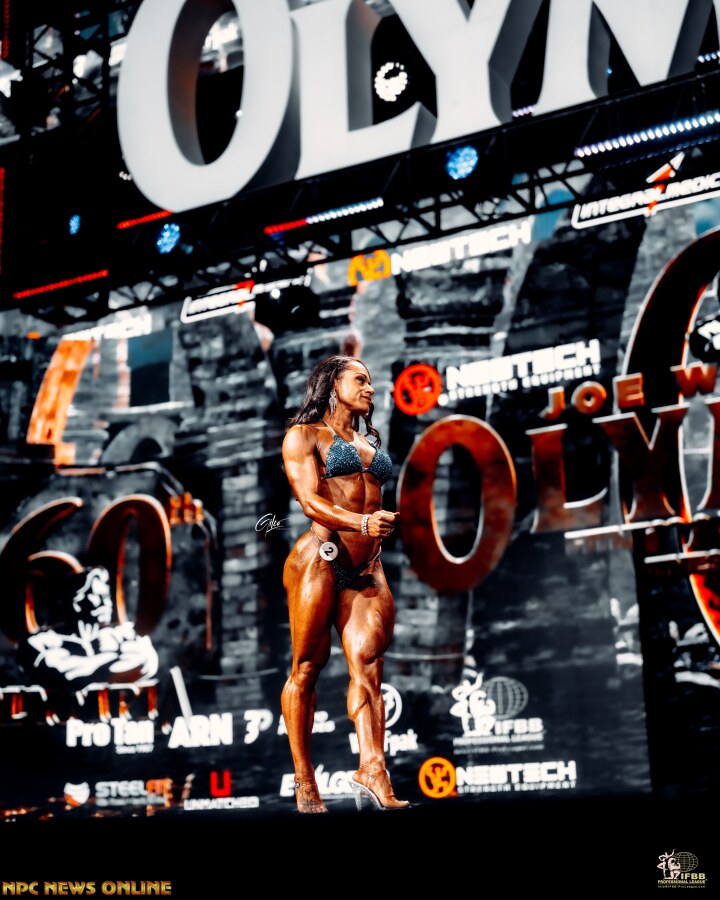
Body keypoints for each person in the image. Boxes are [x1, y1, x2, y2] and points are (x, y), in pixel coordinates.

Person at [280, 354, 410, 813]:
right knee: (307, 668)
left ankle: (373, 770)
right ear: (333, 385)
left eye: (371, 381)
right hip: (320, 558)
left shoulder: (368, 441)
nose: (370, 387)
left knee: (369, 664)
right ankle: (304, 781)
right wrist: (361, 521)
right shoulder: (304, 435)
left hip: (367, 566)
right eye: (360, 379)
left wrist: (379, 525)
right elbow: (309, 501)